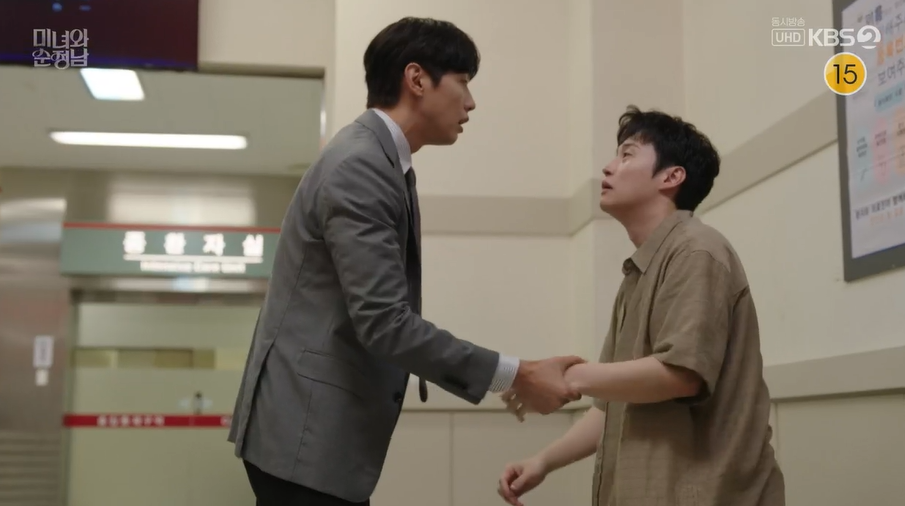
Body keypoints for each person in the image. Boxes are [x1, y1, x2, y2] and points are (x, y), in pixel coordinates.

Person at [227, 16, 584, 506]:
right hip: (304, 435)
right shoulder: (361, 165)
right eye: (463, 82)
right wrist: (517, 373)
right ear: (416, 79)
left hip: (306, 433)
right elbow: (384, 323)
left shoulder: (380, 160)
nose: (471, 102)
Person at [496, 106, 785, 506]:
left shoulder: (697, 251)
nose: (608, 167)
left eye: (627, 154)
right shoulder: (639, 271)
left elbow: (679, 375)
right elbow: (610, 405)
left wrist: (565, 377)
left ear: (671, 177)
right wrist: (543, 461)